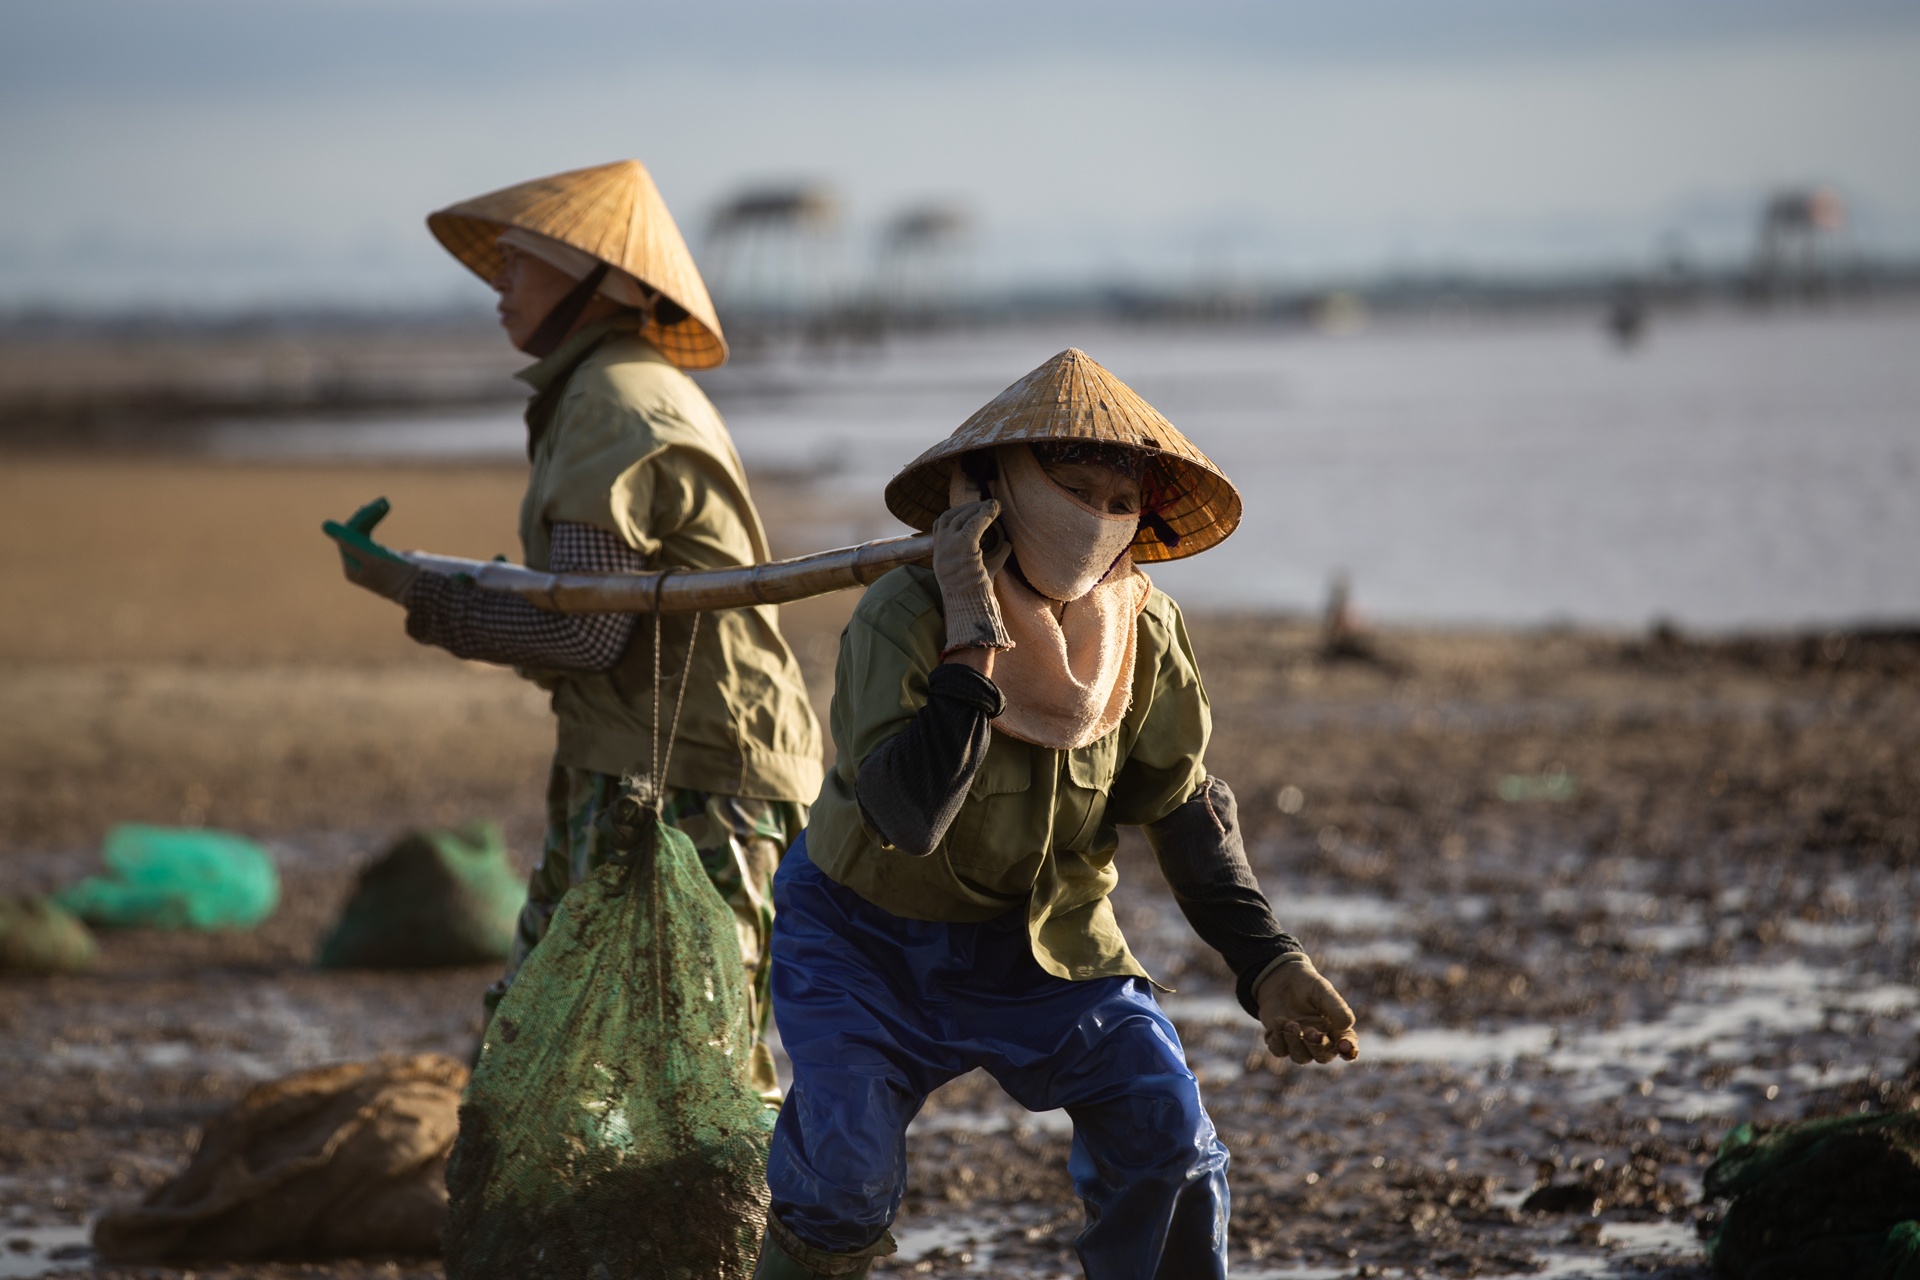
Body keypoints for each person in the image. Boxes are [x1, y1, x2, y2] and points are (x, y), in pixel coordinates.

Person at [753, 349, 1361, 1280]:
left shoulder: (1140, 633)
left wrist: (1269, 962)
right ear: (991, 490)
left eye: (1122, 506)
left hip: (1042, 944)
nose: (1097, 522)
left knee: (1170, 1141)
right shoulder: (902, 614)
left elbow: (1184, 809)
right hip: (863, 944)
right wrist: (971, 630)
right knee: (841, 1182)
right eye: (1073, 490)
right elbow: (910, 812)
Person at [329, 160, 822, 1099]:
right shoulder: (601, 391)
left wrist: (416, 595)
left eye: (520, 266)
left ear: (602, 282)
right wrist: (434, 584)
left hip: (698, 772)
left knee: (689, 1070)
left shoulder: (612, 403)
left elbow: (588, 635)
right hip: (645, 753)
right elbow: (594, 607)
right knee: (564, 1045)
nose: (498, 290)